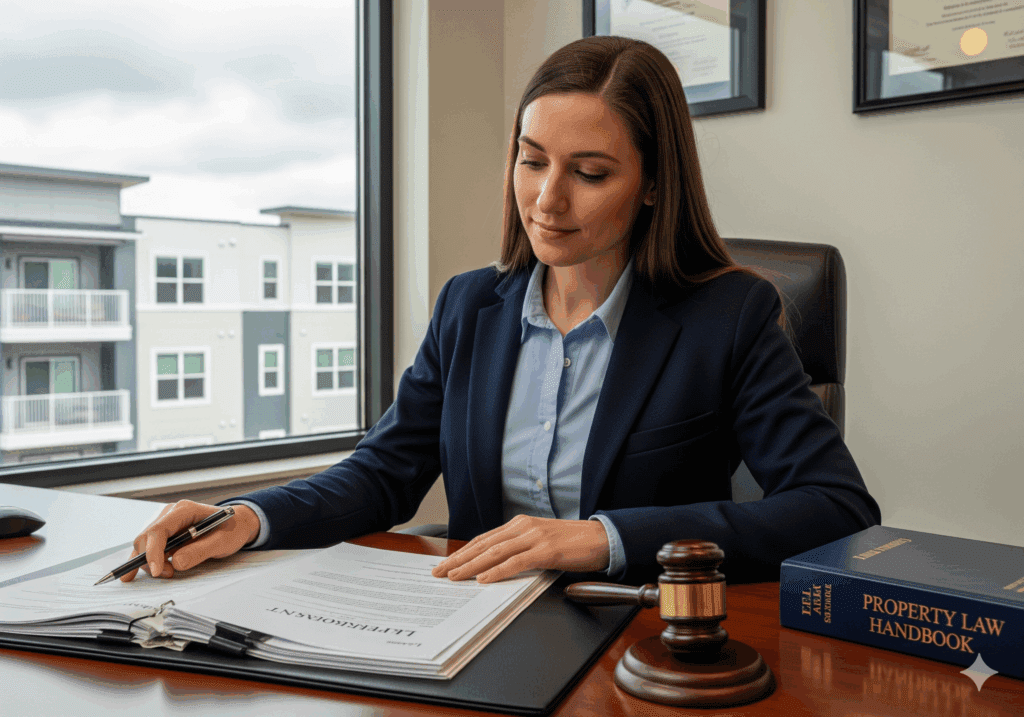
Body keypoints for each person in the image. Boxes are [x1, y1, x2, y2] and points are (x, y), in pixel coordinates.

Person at [122, 35, 880, 588]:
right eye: (532, 159)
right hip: (472, 628)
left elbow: (836, 507)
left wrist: (601, 539)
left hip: (639, 640)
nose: (547, 200)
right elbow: (385, 472)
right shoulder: (468, 305)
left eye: (589, 172)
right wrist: (250, 516)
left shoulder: (732, 314)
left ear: (653, 184)